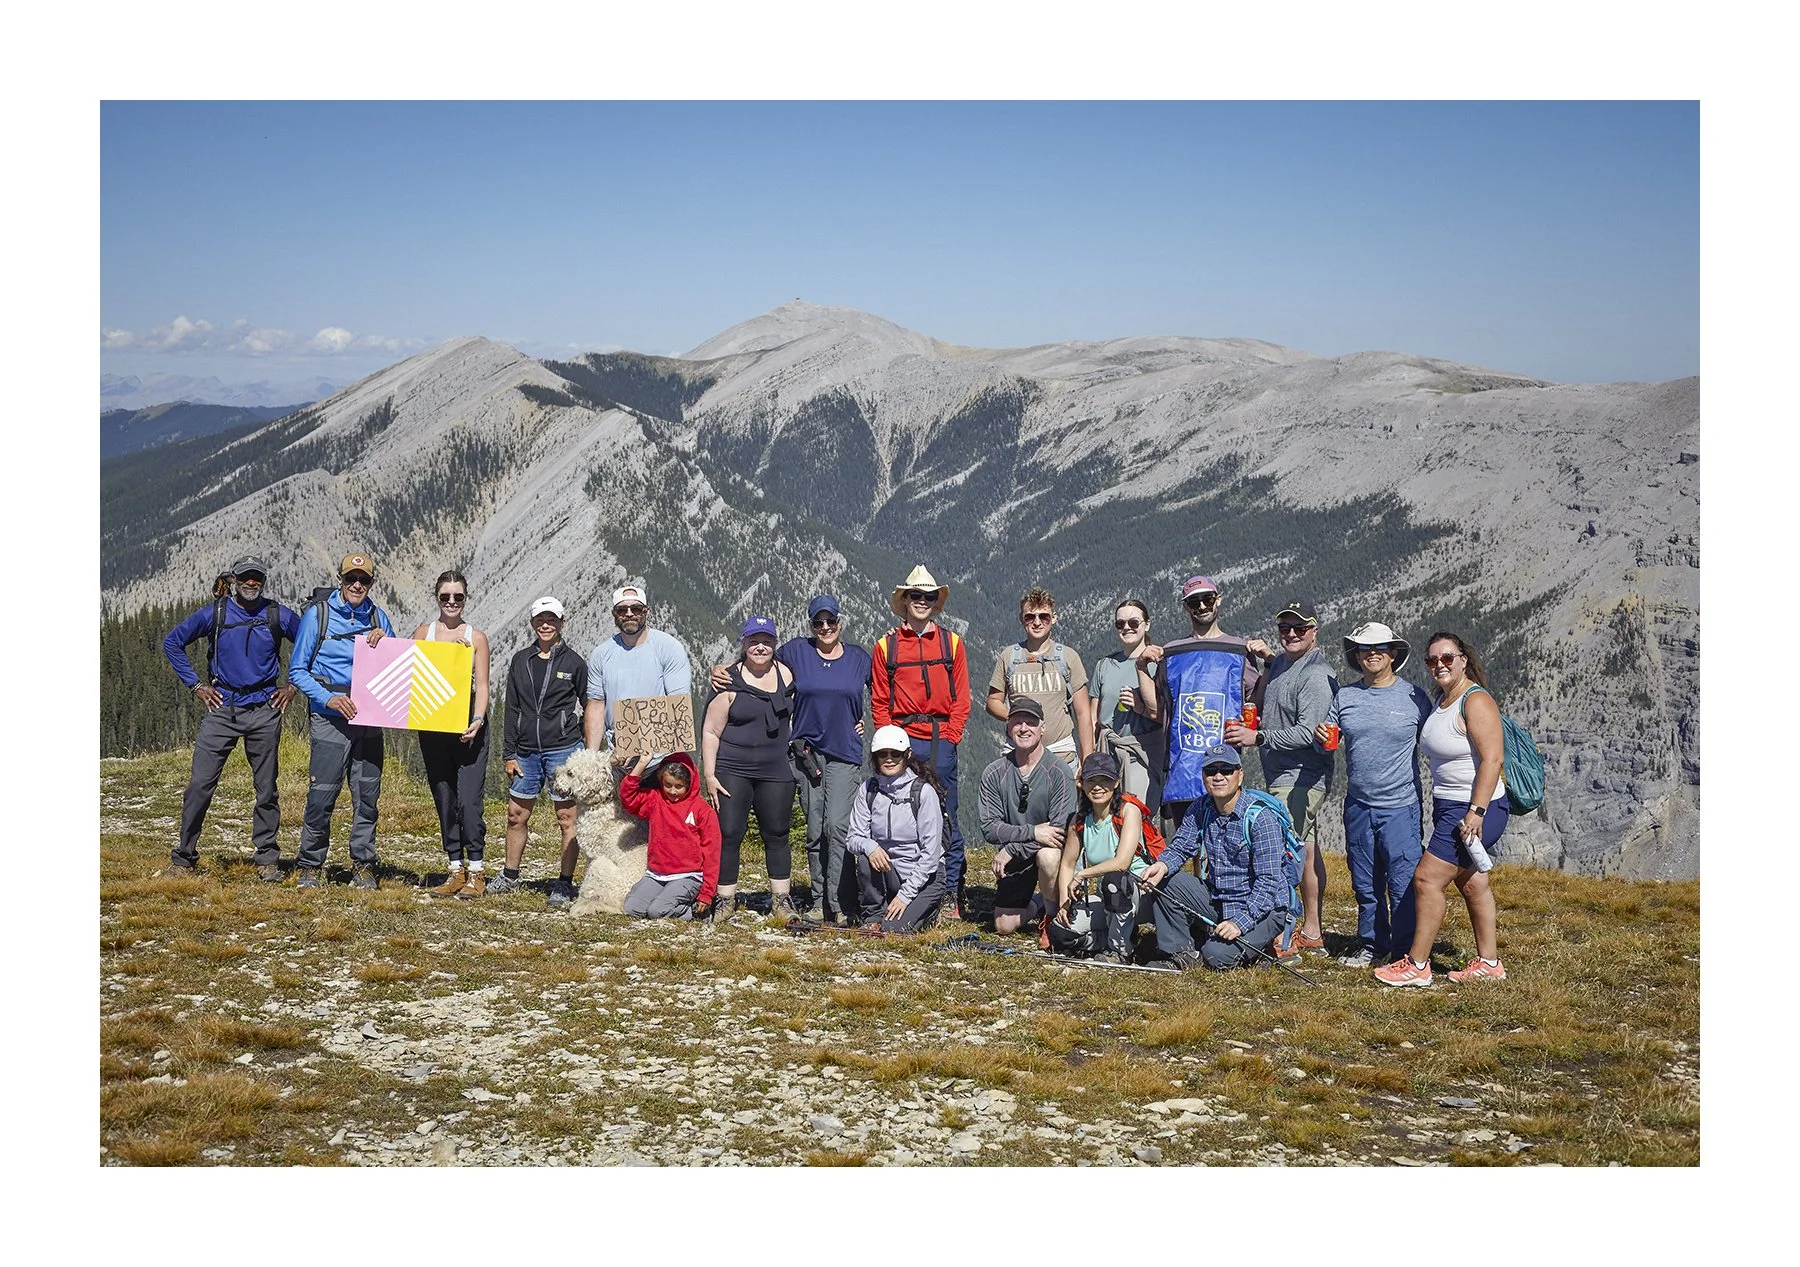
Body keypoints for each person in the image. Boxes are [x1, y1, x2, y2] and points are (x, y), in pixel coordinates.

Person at [710, 594, 872, 925]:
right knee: (814, 829)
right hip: (806, 753)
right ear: (811, 625)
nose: (825, 627)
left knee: (838, 826)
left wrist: (866, 720)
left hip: (845, 751)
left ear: (840, 623)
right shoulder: (796, 652)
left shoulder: (859, 658)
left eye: (831, 621)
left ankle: (840, 901)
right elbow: (757, 660)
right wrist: (719, 668)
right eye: (818, 622)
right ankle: (816, 901)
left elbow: (882, 692)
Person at [1375, 632, 1512, 987]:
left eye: (1447, 658)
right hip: (1450, 805)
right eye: (1432, 660)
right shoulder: (1444, 700)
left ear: (1464, 659)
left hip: (1473, 808)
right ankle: (1489, 963)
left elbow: (1493, 759)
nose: (1440, 665)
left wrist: (1476, 812)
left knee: (1426, 879)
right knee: (1472, 884)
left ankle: (1417, 965)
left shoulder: (1475, 700)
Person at [160, 556, 301, 880]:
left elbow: (311, 643)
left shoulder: (277, 614)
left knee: (266, 788)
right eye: (245, 577)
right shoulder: (217, 612)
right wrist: (196, 685)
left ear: (263, 581)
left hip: (264, 710)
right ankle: (184, 858)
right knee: (199, 785)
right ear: (234, 579)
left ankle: (267, 860)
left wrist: (293, 687)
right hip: (222, 709)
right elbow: (173, 642)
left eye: (257, 578)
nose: (251, 583)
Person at [1226, 598, 1337, 959]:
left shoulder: (1315, 676)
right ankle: (1313, 932)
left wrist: (1258, 738)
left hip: (1301, 777)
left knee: (1284, 853)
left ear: (1313, 631)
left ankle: (1284, 937)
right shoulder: (1286, 665)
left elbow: (1309, 732)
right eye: (1285, 628)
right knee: (1305, 849)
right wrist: (1269, 660)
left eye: (1299, 628)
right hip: (1285, 774)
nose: (1291, 634)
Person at [288, 552, 397, 889]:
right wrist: (329, 699)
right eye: (351, 578)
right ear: (340, 579)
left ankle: (363, 864)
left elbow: (395, 666)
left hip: (369, 719)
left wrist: (385, 641)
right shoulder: (317, 616)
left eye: (364, 580)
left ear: (371, 583)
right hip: (329, 718)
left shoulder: (378, 616)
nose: (357, 585)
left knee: (367, 794)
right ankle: (310, 864)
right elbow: (297, 671)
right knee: (322, 793)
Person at [1325, 622, 1431, 967]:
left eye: (1380, 648)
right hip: (1358, 804)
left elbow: (1438, 739)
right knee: (1366, 884)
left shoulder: (1414, 697)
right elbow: (1329, 738)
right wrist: (1319, 736)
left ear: (1393, 654)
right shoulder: (1345, 697)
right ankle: (1372, 946)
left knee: (1401, 885)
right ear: (1356, 655)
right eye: (1364, 648)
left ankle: (1402, 953)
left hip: (1401, 806)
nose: (1372, 653)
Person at [871, 565, 972, 918]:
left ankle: (949, 892)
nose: (923, 602)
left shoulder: (952, 643)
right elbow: (880, 701)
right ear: (905, 600)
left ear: (936, 602)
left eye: (929, 597)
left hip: (939, 736)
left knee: (946, 814)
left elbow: (962, 697)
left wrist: (952, 735)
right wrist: (889, 740)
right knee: (901, 812)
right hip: (902, 739)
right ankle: (903, 886)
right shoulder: (885, 646)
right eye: (917, 596)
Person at [1138, 575, 1269, 838]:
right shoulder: (1172, 652)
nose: (1201, 606)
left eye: (1207, 599)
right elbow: (1157, 708)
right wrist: (1141, 667)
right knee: (1189, 846)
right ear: (1186, 606)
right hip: (1182, 768)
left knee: (1222, 843)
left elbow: (1255, 702)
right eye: (1194, 602)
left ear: (1218, 600)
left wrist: (1269, 663)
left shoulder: (1239, 650)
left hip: (1224, 767)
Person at [1140, 745, 1287, 970]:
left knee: (1215, 956)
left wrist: (1240, 922)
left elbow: (1268, 884)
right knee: (1166, 880)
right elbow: (1180, 847)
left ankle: (1260, 950)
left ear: (1240, 775)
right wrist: (1162, 864)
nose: (1218, 776)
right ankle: (1179, 953)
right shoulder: (1201, 807)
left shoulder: (1261, 819)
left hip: (1262, 908)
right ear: (1203, 776)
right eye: (1211, 771)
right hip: (1219, 899)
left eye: (1226, 770)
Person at [491, 598, 593, 909]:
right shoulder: (520, 660)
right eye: (540, 619)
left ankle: (564, 883)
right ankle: (510, 875)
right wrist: (509, 753)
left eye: (551, 619)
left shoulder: (575, 663)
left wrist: (588, 753)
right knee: (515, 815)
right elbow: (512, 708)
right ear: (533, 623)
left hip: (563, 750)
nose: (546, 624)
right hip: (525, 752)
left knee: (566, 817)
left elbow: (589, 706)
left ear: (562, 622)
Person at [702, 616, 800, 920]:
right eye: (754, 641)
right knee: (730, 833)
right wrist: (709, 774)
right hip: (733, 768)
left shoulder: (787, 675)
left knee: (778, 833)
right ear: (743, 644)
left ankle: (781, 900)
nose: (760, 647)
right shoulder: (728, 680)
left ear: (775, 644)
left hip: (776, 770)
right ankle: (725, 899)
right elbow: (711, 731)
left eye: (767, 641)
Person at [405, 571, 494, 899]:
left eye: (458, 597)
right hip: (433, 723)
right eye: (446, 597)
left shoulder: (477, 637)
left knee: (469, 800)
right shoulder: (422, 633)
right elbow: (406, 672)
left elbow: (483, 684)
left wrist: (478, 719)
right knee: (444, 796)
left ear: (465, 598)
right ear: (437, 598)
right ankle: (455, 867)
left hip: (468, 724)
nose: (452, 602)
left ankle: (477, 869)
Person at [979, 696, 1079, 941]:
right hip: (1021, 854)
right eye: (1017, 722)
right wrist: (1033, 832)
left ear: (1042, 728)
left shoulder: (1059, 772)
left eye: (1031, 722)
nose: (1024, 728)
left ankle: (1053, 919)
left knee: (1048, 856)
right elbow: (990, 829)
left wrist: (1012, 846)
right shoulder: (994, 773)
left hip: (1051, 854)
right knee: (1004, 925)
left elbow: (1058, 833)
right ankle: (1038, 904)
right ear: (1008, 727)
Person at [845, 725, 947, 933]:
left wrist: (904, 896)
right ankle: (873, 915)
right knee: (866, 857)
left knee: (892, 930)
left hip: (926, 877)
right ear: (875, 757)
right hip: (891, 873)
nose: (889, 759)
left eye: (896, 754)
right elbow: (853, 838)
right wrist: (870, 846)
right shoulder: (868, 790)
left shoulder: (923, 793)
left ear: (907, 755)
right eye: (883, 754)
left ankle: (927, 911)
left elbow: (930, 855)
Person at [1052, 752, 1151, 963]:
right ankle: (1108, 941)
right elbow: (1067, 863)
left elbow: (1122, 863)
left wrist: (1082, 875)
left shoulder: (1128, 810)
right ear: (1081, 783)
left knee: (1115, 881)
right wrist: (1064, 903)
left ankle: (1120, 952)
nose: (1097, 787)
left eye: (1105, 779)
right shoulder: (1079, 820)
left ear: (1116, 782)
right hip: (1109, 899)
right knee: (1061, 932)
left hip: (1140, 894)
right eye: (1091, 780)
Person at [987, 586, 1092, 774]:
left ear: (1054, 618)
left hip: (1062, 756)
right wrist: (1016, 717)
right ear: (1022, 619)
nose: (1037, 622)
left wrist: (1088, 760)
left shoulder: (1068, 657)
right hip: (1018, 757)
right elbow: (993, 702)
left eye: (1044, 616)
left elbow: (1083, 712)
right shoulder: (1009, 657)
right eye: (1030, 617)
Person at [583, 583, 694, 754]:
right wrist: (591, 756)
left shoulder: (669, 647)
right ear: (614, 614)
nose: (629, 614)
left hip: (660, 756)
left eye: (636, 608)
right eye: (622, 610)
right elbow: (597, 704)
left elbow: (678, 704)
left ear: (646, 611)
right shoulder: (601, 654)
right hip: (617, 754)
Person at [618, 752, 721, 919]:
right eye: (668, 785)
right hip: (657, 874)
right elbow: (628, 798)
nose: (673, 791)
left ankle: (695, 911)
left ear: (690, 783)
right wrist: (642, 764)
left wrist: (707, 893)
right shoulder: (655, 800)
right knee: (632, 908)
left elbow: (712, 853)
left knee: (657, 911)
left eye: (679, 786)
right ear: (661, 781)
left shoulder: (702, 810)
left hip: (689, 876)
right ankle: (671, 902)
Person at [1089, 597, 1160, 803]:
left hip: (1143, 752)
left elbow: (1165, 715)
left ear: (1147, 624)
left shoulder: (1159, 664)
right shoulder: (1105, 665)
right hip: (1107, 752)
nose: (1127, 627)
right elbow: (1094, 716)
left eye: (1134, 622)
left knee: (1135, 812)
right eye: (1120, 623)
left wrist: (1140, 707)